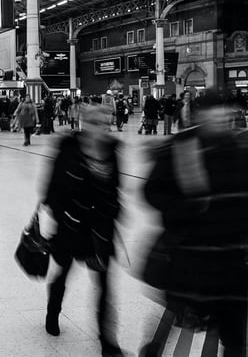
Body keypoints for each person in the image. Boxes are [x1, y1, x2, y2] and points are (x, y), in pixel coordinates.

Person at [141, 90, 248, 356]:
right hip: (191, 258)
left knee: (234, 334)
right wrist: (186, 207)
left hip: (232, 261)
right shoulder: (182, 147)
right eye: (216, 111)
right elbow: (152, 192)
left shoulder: (239, 148)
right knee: (178, 314)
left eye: (226, 111)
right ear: (201, 114)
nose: (223, 117)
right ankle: (153, 349)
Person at [42, 103, 123, 355]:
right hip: (70, 225)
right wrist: (62, 215)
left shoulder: (111, 150)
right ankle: (53, 310)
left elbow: (115, 188)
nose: (104, 127)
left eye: (107, 122)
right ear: (85, 123)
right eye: (98, 122)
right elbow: (51, 188)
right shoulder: (68, 149)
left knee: (104, 285)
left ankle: (107, 341)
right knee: (63, 273)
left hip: (99, 229)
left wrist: (114, 212)